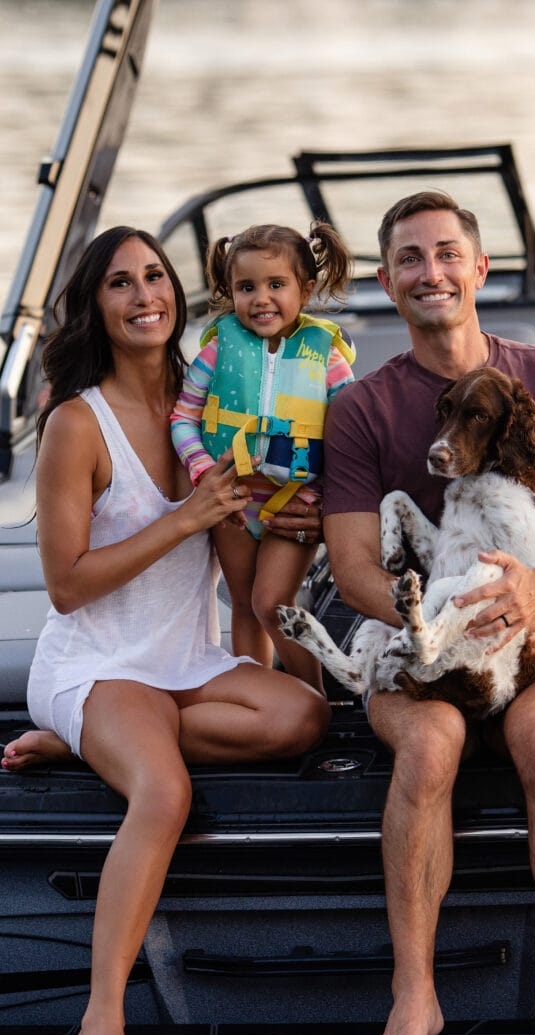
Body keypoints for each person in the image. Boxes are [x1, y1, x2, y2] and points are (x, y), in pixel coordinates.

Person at [1, 226, 330, 1035]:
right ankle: (100, 1017)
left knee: (303, 714)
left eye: (155, 276)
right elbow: (67, 584)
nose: (144, 294)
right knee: (165, 791)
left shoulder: (209, 397)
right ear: (95, 306)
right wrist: (181, 517)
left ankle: (89, 746)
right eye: (120, 282)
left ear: (181, 295)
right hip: (99, 661)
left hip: (184, 660)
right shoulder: (78, 424)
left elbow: (238, 566)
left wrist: (295, 528)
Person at [322, 191, 535, 1035]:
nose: (431, 273)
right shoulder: (360, 411)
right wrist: (443, 621)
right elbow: (350, 570)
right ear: (386, 282)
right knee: (430, 743)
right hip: (424, 645)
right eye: (409, 260)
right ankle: (414, 994)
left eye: (447, 254)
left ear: (480, 268)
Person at [170, 222, 356, 689]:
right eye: (246, 287)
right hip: (230, 501)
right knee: (245, 605)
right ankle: (259, 697)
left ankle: (314, 696)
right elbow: (183, 418)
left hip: (296, 502)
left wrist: (329, 496)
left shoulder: (328, 358)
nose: (261, 299)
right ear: (229, 291)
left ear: (306, 289)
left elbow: (353, 434)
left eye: (277, 285)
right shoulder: (216, 352)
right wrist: (201, 471)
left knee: (272, 602)